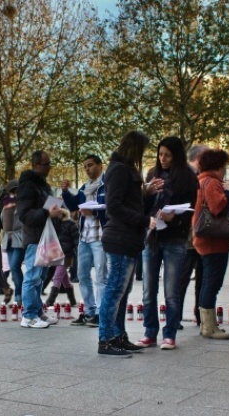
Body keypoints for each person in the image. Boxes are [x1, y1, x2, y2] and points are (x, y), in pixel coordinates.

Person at [135, 136, 197, 350]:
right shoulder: (153, 174)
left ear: (176, 156)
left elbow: (191, 211)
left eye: (168, 155)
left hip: (175, 239)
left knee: (171, 290)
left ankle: (169, 334)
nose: (163, 159)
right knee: (148, 289)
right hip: (152, 236)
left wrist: (175, 218)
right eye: (160, 154)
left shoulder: (188, 177)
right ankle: (149, 332)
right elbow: (142, 206)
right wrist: (147, 192)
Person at [98, 130, 154, 357]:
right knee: (114, 290)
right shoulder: (119, 170)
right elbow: (114, 206)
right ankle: (106, 339)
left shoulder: (124, 169)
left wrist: (146, 192)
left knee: (121, 291)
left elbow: (129, 201)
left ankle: (118, 336)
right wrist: (143, 220)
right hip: (120, 237)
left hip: (128, 238)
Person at [192, 149, 229, 340]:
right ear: (218, 165)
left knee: (207, 283)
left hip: (206, 240)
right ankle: (208, 327)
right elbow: (217, 207)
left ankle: (207, 324)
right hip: (213, 241)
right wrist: (228, 197)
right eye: (224, 166)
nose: (225, 170)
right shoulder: (211, 182)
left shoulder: (201, 181)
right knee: (212, 283)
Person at [17, 150, 63, 328]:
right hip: (35, 237)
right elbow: (25, 215)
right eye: (46, 164)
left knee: (41, 277)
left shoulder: (42, 185)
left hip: (45, 236)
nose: (49, 167)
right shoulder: (28, 185)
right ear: (36, 165)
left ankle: (37, 311)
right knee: (32, 276)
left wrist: (55, 209)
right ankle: (28, 315)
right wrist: (47, 212)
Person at [61, 154, 107, 327]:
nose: (88, 169)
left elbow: (111, 208)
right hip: (84, 238)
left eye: (90, 165)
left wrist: (94, 212)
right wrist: (65, 192)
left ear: (100, 166)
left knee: (101, 276)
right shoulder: (84, 187)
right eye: (85, 166)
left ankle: (99, 313)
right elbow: (73, 206)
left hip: (100, 237)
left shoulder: (106, 186)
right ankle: (88, 311)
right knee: (82, 275)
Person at [177, 145, 205, 327]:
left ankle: (199, 315)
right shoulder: (186, 175)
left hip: (197, 235)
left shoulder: (200, 176)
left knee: (198, 279)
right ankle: (178, 316)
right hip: (188, 236)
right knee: (183, 278)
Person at [45, 209, 79, 306]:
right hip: (58, 254)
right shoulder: (57, 225)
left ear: (62, 214)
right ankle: (72, 301)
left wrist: (76, 252)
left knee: (57, 277)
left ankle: (50, 301)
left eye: (58, 214)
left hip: (67, 255)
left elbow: (76, 239)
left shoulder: (71, 224)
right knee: (65, 280)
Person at [0, 179, 24, 306]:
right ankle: (20, 295)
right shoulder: (5, 205)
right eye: (12, 191)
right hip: (8, 240)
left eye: (16, 190)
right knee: (14, 269)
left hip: (19, 239)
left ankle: (19, 295)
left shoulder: (22, 204)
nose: (14, 193)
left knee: (15, 266)